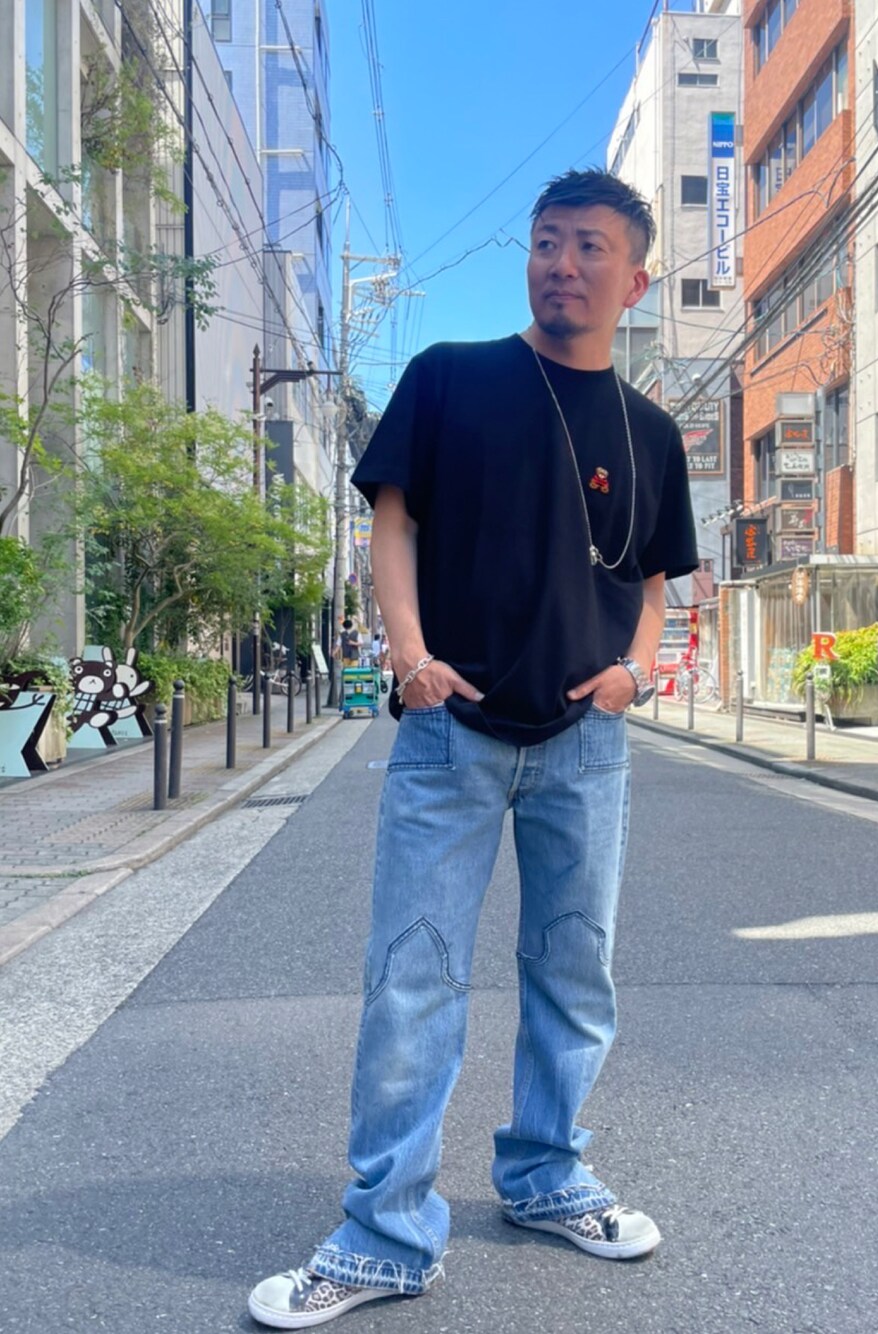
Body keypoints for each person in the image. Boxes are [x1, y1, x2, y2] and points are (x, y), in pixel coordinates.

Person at [248, 168, 698, 1329]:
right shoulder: (451, 377)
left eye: (589, 246)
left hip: (585, 740)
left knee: (574, 971)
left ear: (634, 279)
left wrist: (634, 672)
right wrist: (408, 657)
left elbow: (655, 580)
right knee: (413, 975)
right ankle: (385, 1233)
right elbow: (390, 517)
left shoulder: (651, 431)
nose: (562, 263)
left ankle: (546, 1172)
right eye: (547, 241)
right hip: (450, 730)